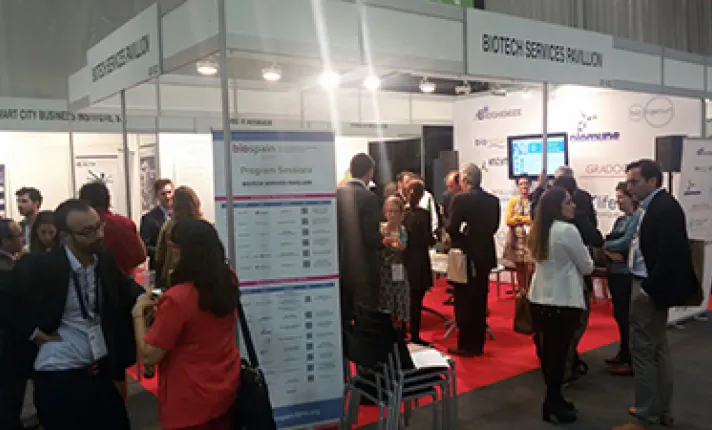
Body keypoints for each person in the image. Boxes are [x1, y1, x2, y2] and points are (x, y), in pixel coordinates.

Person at [0, 199, 145, 430]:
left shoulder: (103, 260)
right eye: (87, 232)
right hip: (59, 373)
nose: (98, 235)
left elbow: (126, 287)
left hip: (98, 368)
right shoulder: (42, 265)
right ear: (65, 236)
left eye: (98, 226)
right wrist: (33, 332)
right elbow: (6, 299)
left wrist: (146, 300)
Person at [613, 160, 702, 430]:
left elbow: (671, 255)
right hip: (650, 286)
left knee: (643, 352)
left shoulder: (663, 209)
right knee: (657, 348)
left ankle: (645, 416)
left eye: (634, 181)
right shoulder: (656, 207)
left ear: (652, 181)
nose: (629, 187)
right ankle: (660, 409)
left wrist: (648, 288)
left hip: (649, 288)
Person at [132, 220, 241, 430]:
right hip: (226, 384)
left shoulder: (178, 299)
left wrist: (138, 314)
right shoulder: (228, 279)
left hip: (188, 396)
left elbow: (149, 355)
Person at [528, 186, 594, 424]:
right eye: (568, 202)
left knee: (549, 354)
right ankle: (552, 402)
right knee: (559, 355)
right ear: (557, 206)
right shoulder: (567, 230)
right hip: (562, 300)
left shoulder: (539, 229)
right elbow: (587, 266)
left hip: (540, 298)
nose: (573, 205)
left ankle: (554, 399)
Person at [552, 175, 603, 383]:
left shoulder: (542, 224)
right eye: (568, 201)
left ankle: (561, 365)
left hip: (547, 290)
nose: (572, 205)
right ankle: (565, 367)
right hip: (572, 285)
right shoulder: (571, 226)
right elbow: (588, 261)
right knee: (574, 327)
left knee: (555, 332)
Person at [446, 163, 500, 357]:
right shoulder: (493, 201)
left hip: (466, 255)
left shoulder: (460, 199)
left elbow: (451, 227)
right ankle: (478, 344)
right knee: (480, 299)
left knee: (463, 301)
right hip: (485, 254)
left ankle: (466, 344)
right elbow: (493, 228)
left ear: (464, 180)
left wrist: (464, 235)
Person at [336, 154, 382, 325]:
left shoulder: (337, 194)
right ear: (370, 172)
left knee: (344, 317)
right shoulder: (369, 197)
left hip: (341, 265)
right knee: (366, 319)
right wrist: (384, 240)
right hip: (364, 270)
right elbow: (371, 238)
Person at [603, 182, 641, 376]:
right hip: (615, 273)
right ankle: (623, 352)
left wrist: (607, 247)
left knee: (627, 317)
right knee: (619, 315)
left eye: (620, 197)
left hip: (626, 275)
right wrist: (609, 248)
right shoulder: (620, 220)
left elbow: (626, 243)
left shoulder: (637, 218)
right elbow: (608, 242)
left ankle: (630, 359)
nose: (617, 201)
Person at [79, 181, 147, 277]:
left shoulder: (81, 226)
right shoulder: (125, 223)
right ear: (108, 199)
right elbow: (141, 256)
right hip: (124, 280)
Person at [0, 219, 29, 430]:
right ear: (5, 241)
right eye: (18, 235)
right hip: (8, 342)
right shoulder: (7, 270)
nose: (23, 239)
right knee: (10, 394)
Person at [403, 180, 436, 346]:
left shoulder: (403, 214)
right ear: (422, 195)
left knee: (404, 298)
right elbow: (427, 238)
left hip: (405, 259)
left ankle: (403, 331)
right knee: (416, 300)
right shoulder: (423, 214)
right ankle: (415, 335)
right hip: (420, 260)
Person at [155, 186, 202, 291]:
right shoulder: (204, 226)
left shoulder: (168, 226)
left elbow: (159, 257)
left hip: (172, 280)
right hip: (200, 280)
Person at [531, 167, 597, 228]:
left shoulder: (552, 198)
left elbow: (537, 216)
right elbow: (593, 222)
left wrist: (540, 187)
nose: (573, 205)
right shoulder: (584, 196)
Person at [378, 195, 409, 323]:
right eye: (389, 211)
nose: (392, 214)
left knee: (400, 299)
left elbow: (402, 247)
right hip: (384, 271)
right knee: (386, 301)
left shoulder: (402, 230)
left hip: (398, 269)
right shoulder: (381, 228)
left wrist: (392, 241)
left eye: (395, 211)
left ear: (401, 213)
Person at [504, 175, 533, 292]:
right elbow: (508, 220)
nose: (524, 186)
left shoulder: (534, 200)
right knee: (520, 268)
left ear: (530, 185)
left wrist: (518, 218)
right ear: (517, 186)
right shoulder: (513, 201)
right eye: (521, 184)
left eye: (526, 183)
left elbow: (534, 220)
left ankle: (531, 292)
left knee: (531, 268)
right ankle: (522, 292)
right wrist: (525, 219)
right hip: (517, 240)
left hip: (531, 240)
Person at [140, 179, 174, 269]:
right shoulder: (148, 219)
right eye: (163, 194)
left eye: (169, 192)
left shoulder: (182, 215)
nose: (167, 197)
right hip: (159, 266)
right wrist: (164, 252)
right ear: (157, 196)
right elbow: (144, 246)